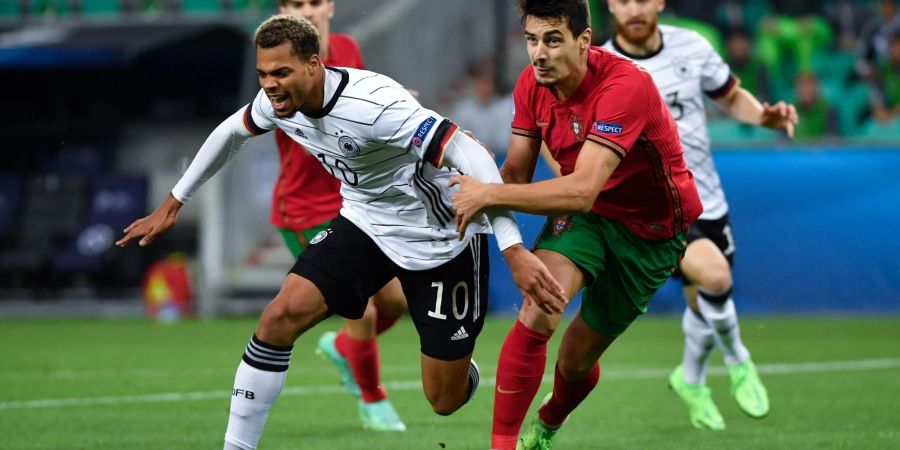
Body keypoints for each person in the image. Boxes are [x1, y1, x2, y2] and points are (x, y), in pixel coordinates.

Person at [116, 15, 566, 450]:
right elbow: (230, 133)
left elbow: (472, 155)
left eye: (281, 72)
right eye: (263, 73)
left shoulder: (376, 106)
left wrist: (512, 250)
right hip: (364, 224)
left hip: (438, 240)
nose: (270, 83)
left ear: (314, 65)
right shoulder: (276, 102)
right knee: (277, 319)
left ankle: (460, 367)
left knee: (444, 400)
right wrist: (174, 202)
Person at [449, 1, 703, 448]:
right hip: (588, 218)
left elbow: (581, 188)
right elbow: (515, 177)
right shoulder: (531, 84)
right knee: (539, 308)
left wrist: (487, 193)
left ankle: (549, 421)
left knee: (576, 359)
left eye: (552, 40)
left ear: (584, 40)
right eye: (531, 40)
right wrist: (472, 165)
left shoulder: (626, 87)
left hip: (651, 234)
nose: (539, 54)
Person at [603, 0, 798, 431]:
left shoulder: (692, 46)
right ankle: (740, 361)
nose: (633, 9)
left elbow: (730, 96)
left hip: (708, 200)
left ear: (659, 2)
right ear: (609, 6)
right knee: (716, 279)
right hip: (653, 209)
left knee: (703, 303)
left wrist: (764, 116)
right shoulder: (601, 65)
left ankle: (690, 378)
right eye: (622, 0)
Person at [272, 0, 407, 431]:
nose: (307, 11)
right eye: (296, 4)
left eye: (314, 2)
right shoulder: (282, 64)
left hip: (351, 200)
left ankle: (348, 349)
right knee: (361, 309)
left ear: (330, 6)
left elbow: (362, 104)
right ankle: (374, 402)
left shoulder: (348, 48)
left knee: (396, 302)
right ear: (282, 10)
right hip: (303, 206)